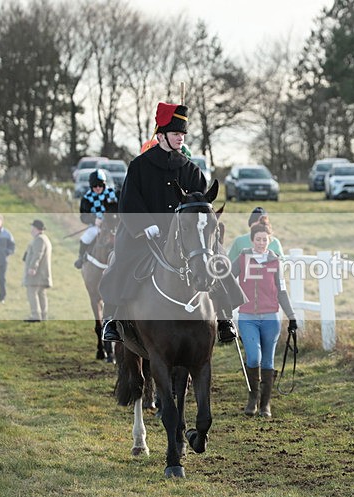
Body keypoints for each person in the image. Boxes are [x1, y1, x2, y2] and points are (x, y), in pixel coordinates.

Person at [99, 101, 246, 343]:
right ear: (161, 135)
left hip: (186, 235)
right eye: (176, 134)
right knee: (122, 257)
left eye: (182, 134)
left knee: (216, 256)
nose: (181, 138)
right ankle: (112, 319)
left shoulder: (191, 169)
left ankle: (224, 317)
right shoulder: (139, 166)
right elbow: (129, 201)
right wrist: (145, 225)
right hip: (145, 233)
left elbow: (201, 203)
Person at [231, 216, 297, 418]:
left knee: (268, 362)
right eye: (258, 239)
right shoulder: (242, 258)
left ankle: (265, 405)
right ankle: (253, 397)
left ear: (269, 241)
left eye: (264, 240)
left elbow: (282, 291)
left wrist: (291, 316)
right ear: (252, 240)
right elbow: (227, 279)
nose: (261, 243)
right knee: (253, 357)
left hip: (270, 317)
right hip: (247, 316)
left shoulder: (275, 261)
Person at [74, 169, 119, 269]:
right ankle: (81, 258)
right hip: (97, 226)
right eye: (95, 186)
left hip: (114, 226)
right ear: (91, 186)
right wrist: (93, 220)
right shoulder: (87, 198)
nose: (98, 188)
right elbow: (83, 216)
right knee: (86, 237)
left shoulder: (113, 194)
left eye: (100, 185)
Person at [22, 219, 53, 322]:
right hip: (43, 274)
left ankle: (35, 315)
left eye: (32, 227)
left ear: (36, 228)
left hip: (37, 274)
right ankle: (43, 316)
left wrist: (32, 267)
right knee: (41, 294)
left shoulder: (39, 239)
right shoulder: (45, 239)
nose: (31, 230)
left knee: (32, 293)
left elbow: (37, 254)